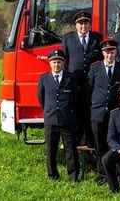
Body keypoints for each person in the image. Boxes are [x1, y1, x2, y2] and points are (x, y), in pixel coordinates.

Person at [87, 39, 120, 185]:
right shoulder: (94, 68)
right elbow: (89, 89)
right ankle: (103, 174)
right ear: (102, 53)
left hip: (115, 113)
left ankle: (118, 173)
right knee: (99, 144)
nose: (109, 55)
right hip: (98, 112)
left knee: (116, 144)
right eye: (106, 52)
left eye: (112, 52)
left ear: (116, 53)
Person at [37, 49, 80, 182]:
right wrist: (49, 110)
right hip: (51, 119)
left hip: (67, 119)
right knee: (51, 149)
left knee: (70, 149)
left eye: (59, 62)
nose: (56, 65)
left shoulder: (71, 78)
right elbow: (41, 97)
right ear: (50, 63)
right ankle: (52, 175)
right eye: (54, 62)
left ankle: (73, 176)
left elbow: (76, 98)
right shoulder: (44, 78)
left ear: (63, 63)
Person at [61, 10, 103, 145]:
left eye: (86, 23)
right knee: (77, 110)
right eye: (80, 23)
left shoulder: (97, 38)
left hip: (93, 82)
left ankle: (91, 140)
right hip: (75, 83)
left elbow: (102, 60)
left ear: (90, 25)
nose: (83, 26)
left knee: (91, 111)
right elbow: (64, 61)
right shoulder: (68, 38)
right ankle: (77, 140)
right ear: (76, 25)